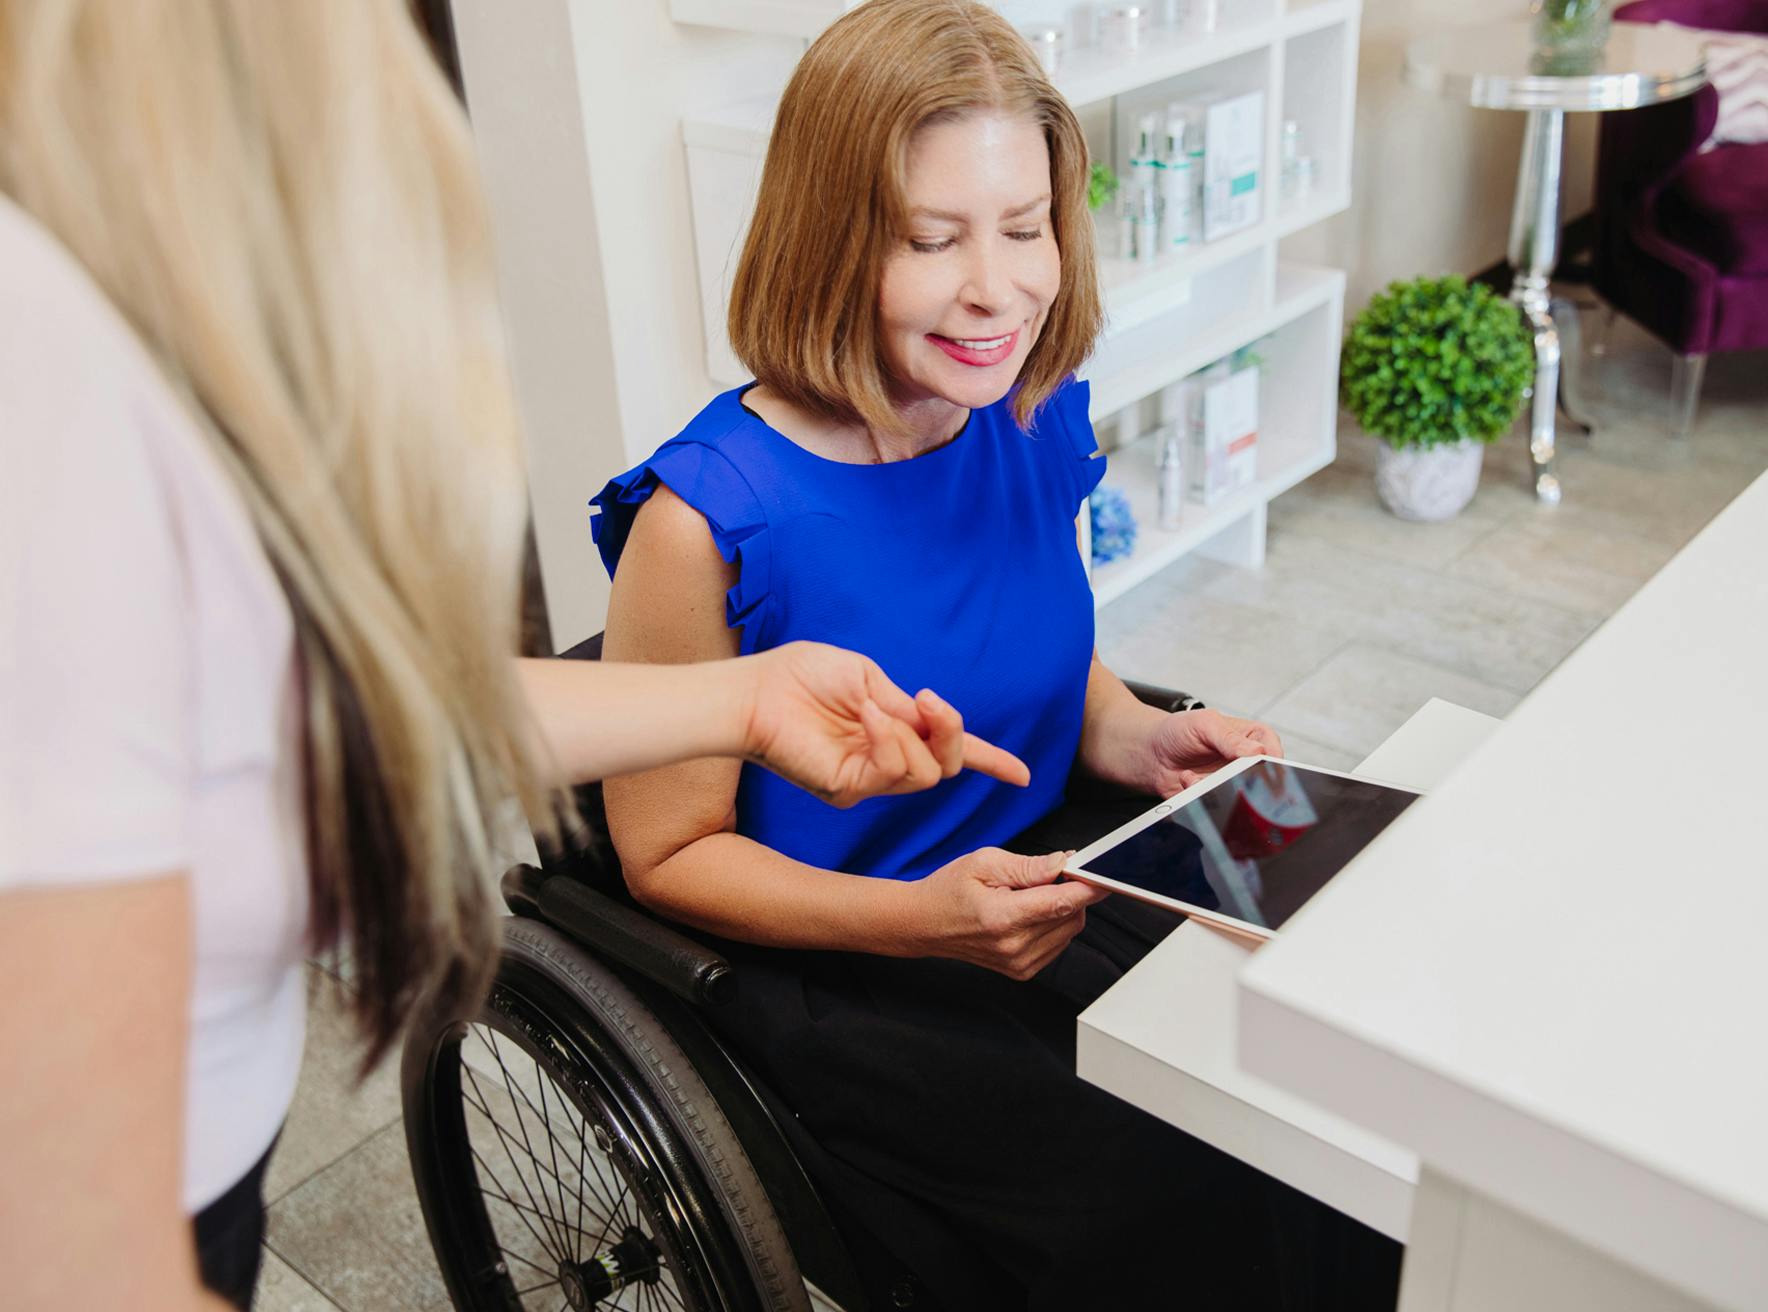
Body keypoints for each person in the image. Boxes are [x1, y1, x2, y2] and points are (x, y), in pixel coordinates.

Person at [0, 4, 1024, 1309]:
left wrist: (748, 694)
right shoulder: (38, 370)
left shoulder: (133, 318)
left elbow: (291, 702)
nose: (993, 280)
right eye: (938, 236)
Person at [591, 0, 1403, 1306]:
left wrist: (1138, 731)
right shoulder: (707, 524)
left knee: (1321, 1088)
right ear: (829, 239)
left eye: (1025, 229)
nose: (1000, 287)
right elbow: (666, 856)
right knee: (1173, 1180)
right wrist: (915, 924)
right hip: (845, 957)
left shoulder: (1021, 404)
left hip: (1039, 866)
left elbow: (1042, 652)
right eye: (932, 239)